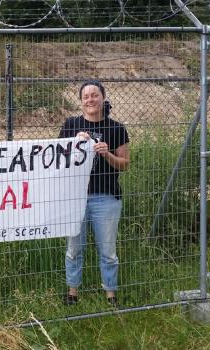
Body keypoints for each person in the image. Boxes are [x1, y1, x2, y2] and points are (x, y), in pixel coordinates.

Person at [58, 80, 130, 307]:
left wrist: (106, 154)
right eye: (86, 96)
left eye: (94, 95)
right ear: (81, 102)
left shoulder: (117, 129)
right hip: (74, 197)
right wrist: (73, 144)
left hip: (106, 198)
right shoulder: (70, 125)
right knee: (74, 248)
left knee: (107, 250)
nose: (90, 99)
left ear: (102, 97)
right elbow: (58, 159)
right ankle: (72, 293)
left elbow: (125, 164)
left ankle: (111, 295)